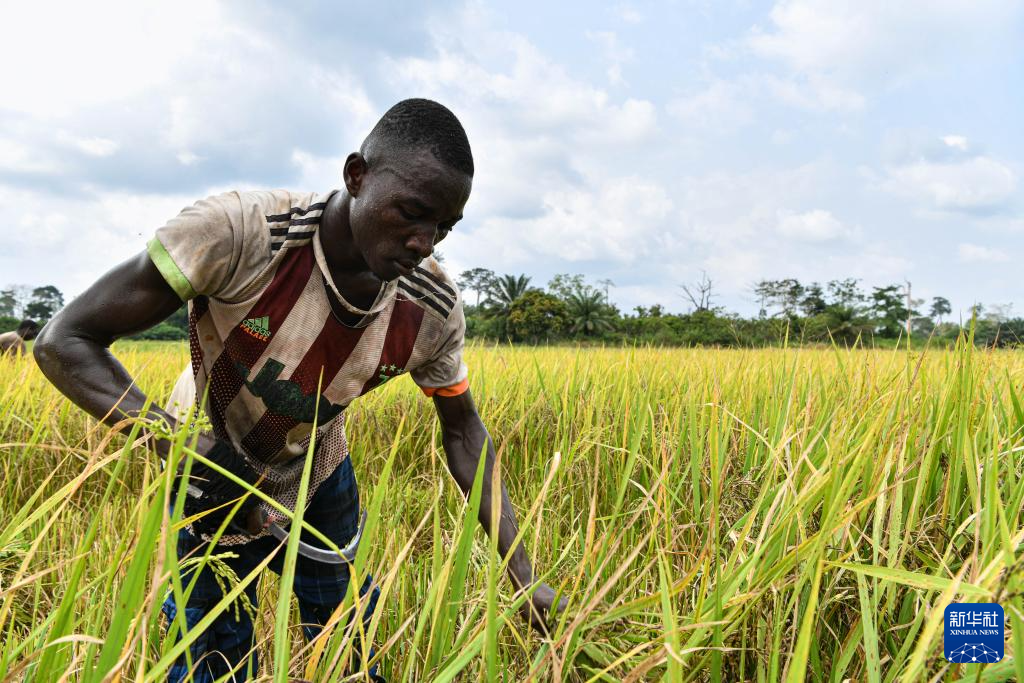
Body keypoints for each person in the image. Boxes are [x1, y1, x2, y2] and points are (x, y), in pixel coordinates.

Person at [34, 98, 565, 682]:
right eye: (412, 213)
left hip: (319, 468)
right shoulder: (242, 235)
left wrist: (526, 578)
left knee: (344, 644)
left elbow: (464, 431)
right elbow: (65, 341)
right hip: (206, 463)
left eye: (443, 227)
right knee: (213, 655)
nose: (425, 243)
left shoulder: (431, 309)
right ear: (356, 174)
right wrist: (181, 448)